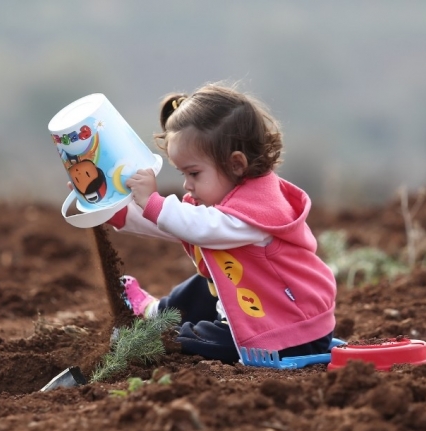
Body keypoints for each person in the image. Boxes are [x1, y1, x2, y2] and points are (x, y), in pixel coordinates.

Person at [107, 82, 337, 364]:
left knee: (207, 341)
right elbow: (176, 225)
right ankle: (156, 313)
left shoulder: (256, 212)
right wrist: (116, 211)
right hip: (264, 307)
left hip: (289, 333)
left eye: (193, 173)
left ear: (236, 164)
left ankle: (162, 336)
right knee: (206, 283)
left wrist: (154, 201)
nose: (186, 185)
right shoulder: (225, 202)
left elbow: (197, 226)